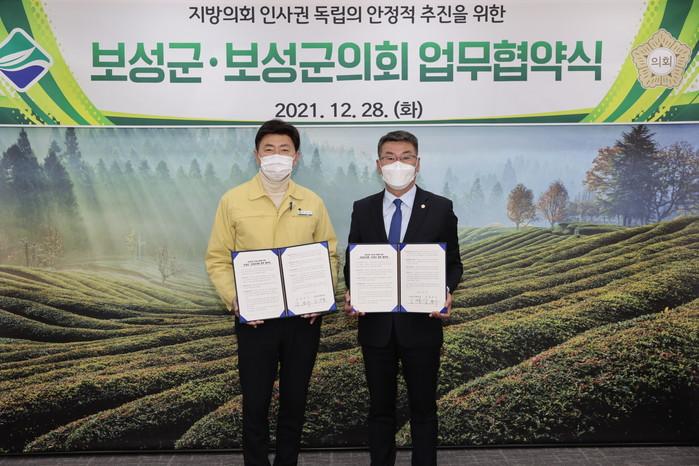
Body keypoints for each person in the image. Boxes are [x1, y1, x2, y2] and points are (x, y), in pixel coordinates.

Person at [206, 119, 338, 466]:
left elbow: (330, 253)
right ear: (257, 155)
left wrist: (322, 294)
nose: (277, 156)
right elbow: (217, 258)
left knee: (295, 401)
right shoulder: (233, 201)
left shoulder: (312, 201)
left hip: (303, 321)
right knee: (256, 402)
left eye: (284, 150)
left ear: (296, 157)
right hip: (255, 321)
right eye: (269, 149)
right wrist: (235, 299)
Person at [343, 130, 463, 466]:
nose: (398, 164)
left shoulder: (440, 208)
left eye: (406, 157)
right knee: (380, 410)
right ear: (378, 164)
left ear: (418, 163)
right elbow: (353, 262)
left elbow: (453, 263)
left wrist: (446, 290)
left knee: (423, 409)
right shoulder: (363, 209)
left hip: (421, 325)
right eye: (390, 157)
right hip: (376, 327)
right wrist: (353, 290)